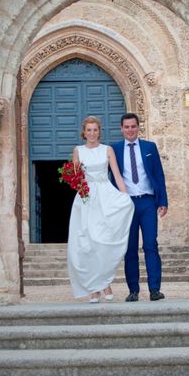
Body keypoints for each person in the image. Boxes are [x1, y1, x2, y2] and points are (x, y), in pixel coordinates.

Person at [67, 116, 134, 303]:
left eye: (95, 130)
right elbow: (77, 177)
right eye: (89, 130)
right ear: (84, 132)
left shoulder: (108, 150)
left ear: (99, 131)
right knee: (88, 243)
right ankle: (94, 289)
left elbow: (118, 176)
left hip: (106, 195)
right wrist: (80, 191)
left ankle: (105, 282)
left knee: (104, 241)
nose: (92, 133)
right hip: (86, 197)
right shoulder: (78, 151)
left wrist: (125, 196)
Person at [111, 113, 168, 302]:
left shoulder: (149, 147)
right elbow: (108, 177)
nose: (130, 130)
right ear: (121, 128)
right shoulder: (115, 149)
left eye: (133, 126)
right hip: (127, 204)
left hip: (148, 202)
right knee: (130, 248)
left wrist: (163, 201)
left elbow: (159, 175)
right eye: (126, 127)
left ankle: (154, 289)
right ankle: (133, 290)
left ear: (138, 127)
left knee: (151, 244)